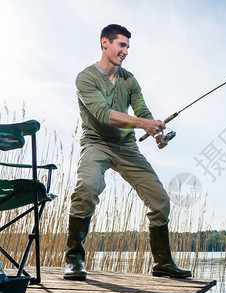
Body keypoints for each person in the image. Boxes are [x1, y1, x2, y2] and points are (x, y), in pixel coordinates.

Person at [64, 24, 191, 280]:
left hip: (126, 147)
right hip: (96, 144)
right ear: (105, 43)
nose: (125, 51)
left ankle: (162, 264)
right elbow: (103, 115)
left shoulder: (130, 79)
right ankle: (74, 258)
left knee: (160, 201)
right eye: (121, 45)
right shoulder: (85, 78)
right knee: (88, 188)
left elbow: (143, 111)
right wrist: (145, 124)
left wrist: (157, 133)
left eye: (127, 47)